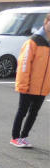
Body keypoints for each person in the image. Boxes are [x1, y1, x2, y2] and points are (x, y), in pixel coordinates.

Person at [10, 12, 50, 148]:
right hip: (28, 85)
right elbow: (24, 64)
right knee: (22, 112)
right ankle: (15, 137)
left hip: (42, 87)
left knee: (34, 113)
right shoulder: (33, 41)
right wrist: (23, 84)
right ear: (46, 22)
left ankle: (24, 137)